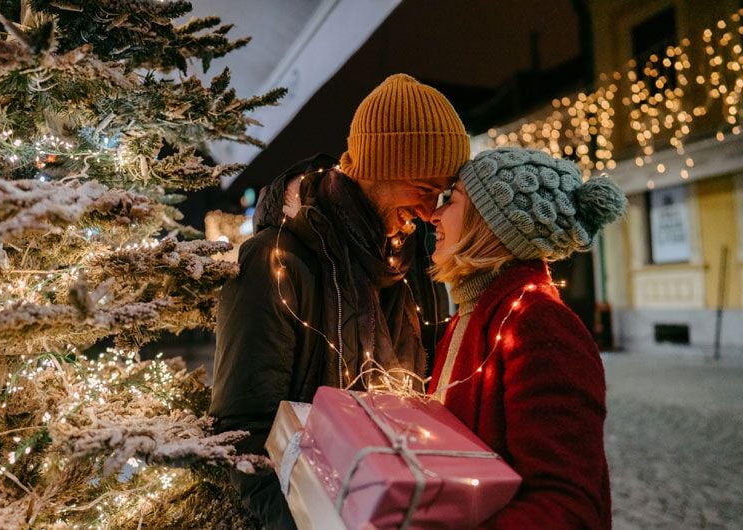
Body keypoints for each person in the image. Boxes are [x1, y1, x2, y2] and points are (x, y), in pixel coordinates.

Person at [210, 73, 470, 528]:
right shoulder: (275, 261)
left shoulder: (412, 270)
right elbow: (241, 433)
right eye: (424, 188)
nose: (431, 213)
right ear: (377, 168)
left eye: (442, 193)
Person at [428, 147, 626, 529]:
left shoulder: (538, 322)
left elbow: (566, 506)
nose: (434, 215)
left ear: (490, 222)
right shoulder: (473, 314)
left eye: (451, 200)